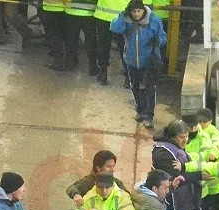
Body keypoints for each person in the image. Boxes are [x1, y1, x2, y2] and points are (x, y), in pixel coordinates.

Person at [111, 0, 166, 129]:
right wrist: (122, 15)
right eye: (134, 11)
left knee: (149, 88)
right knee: (134, 86)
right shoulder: (126, 20)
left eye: (139, 11)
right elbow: (114, 27)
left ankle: (148, 116)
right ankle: (140, 110)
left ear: (143, 10)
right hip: (131, 60)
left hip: (149, 61)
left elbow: (163, 37)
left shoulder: (154, 20)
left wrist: (157, 41)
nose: (136, 14)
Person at [152, 120, 202, 210]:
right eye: (181, 137)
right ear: (172, 137)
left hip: (181, 199)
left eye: (187, 136)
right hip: (171, 202)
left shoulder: (174, 147)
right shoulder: (164, 153)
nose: (185, 140)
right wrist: (199, 175)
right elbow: (175, 180)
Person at [94, 0, 128, 86]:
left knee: (103, 46)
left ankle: (103, 73)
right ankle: (129, 77)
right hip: (123, 16)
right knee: (124, 47)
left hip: (104, 15)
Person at [59, 0, 98, 73]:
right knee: (91, 40)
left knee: (71, 39)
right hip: (89, 12)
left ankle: (70, 63)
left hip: (71, 11)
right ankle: (93, 67)